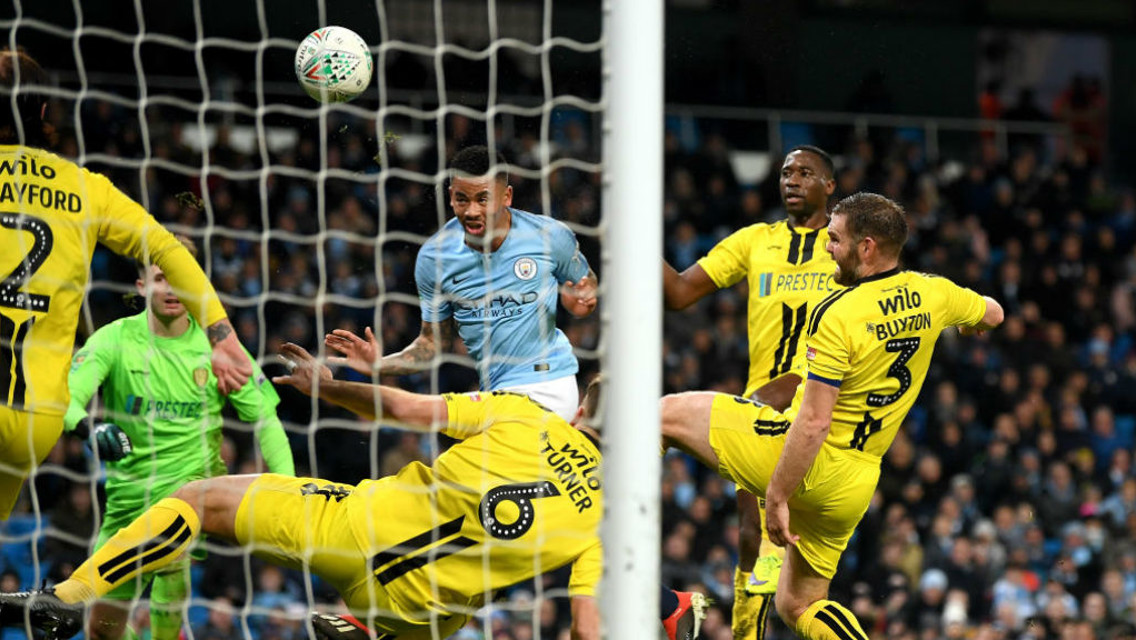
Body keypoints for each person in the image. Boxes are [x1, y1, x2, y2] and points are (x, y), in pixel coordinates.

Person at [0, 356, 706, 640]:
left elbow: (402, 408)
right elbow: (586, 627)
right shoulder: (612, 527)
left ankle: (67, 596)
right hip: (420, 614)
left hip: (351, 527)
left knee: (199, 500)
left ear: (581, 410)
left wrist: (328, 383)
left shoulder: (524, 414)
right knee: (452, 616)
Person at [660, 192, 1004, 640]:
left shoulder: (838, 315)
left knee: (661, 415)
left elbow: (813, 422)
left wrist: (778, 497)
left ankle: (650, 592)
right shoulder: (934, 292)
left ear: (867, 248)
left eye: (835, 240)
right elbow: (993, 312)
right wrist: (966, 322)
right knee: (800, 604)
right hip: (857, 481)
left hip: (806, 459)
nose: (827, 248)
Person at [0, 48, 251, 520]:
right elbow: (170, 251)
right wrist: (223, 335)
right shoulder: (84, 187)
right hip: (35, 422)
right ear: (43, 113)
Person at [62, 237, 295, 640]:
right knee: (101, 630)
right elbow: (65, 401)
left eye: (181, 278)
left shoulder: (219, 348)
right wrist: (90, 428)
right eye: (160, 278)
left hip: (190, 502)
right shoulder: (113, 339)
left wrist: (288, 491)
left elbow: (266, 421)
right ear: (141, 287)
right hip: (127, 506)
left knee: (170, 588)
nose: (171, 289)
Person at [663, 145, 837, 640]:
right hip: (760, 400)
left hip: (820, 398)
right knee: (750, 538)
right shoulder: (756, 241)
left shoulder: (843, 245)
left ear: (830, 186)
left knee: (791, 548)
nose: (792, 180)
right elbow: (678, 293)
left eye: (806, 173)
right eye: (786, 173)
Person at [325, 145, 598, 421]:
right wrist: (381, 365)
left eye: (483, 199)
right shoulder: (435, 258)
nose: (471, 211)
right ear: (451, 198)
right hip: (495, 392)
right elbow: (432, 343)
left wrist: (580, 304)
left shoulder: (548, 236)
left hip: (550, 382)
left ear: (507, 197)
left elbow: (587, 286)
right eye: (462, 199)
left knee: (420, 416)